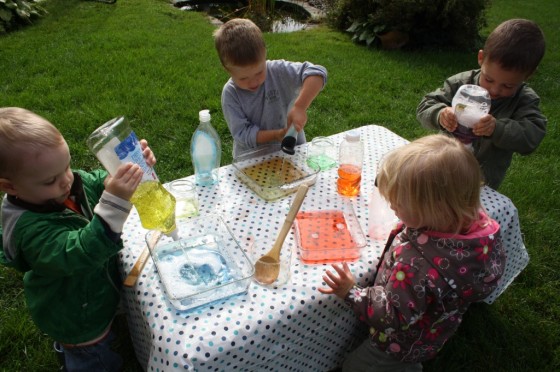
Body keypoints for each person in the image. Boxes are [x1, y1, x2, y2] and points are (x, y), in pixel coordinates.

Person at [319, 134, 506, 371]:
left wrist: (351, 292)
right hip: (433, 328)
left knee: (354, 366)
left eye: (399, 203)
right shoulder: (477, 229)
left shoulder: (416, 265)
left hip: (396, 343)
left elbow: (392, 316)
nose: (392, 206)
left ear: (432, 209)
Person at [0, 107, 156, 371]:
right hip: (76, 314)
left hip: (94, 292)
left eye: (67, 166)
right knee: (96, 359)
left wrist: (122, 175)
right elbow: (82, 252)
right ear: (10, 186)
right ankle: (77, 355)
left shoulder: (63, 187)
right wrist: (114, 202)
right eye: (51, 179)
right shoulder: (32, 232)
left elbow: (94, 182)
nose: (66, 181)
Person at [416, 19, 546, 190]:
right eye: (489, 79)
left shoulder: (524, 100)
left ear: (528, 75)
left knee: (465, 216)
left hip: (480, 181)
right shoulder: (461, 83)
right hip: (440, 164)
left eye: (508, 86)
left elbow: (531, 137)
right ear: (481, 58)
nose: (494, 90)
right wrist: (439, 114)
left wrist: (497, 129)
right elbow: (425, 106)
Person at [213, 18, 328, 157]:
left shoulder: (278, 71)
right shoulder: (231, 94)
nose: (253, 82)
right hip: (252, 162)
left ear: (265, 55)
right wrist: (277, 135)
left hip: (293, 155)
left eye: (259, 72)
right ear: (227, 70)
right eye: (243, 78)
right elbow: (242, 134)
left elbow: (317, 72)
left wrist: (300, 107)